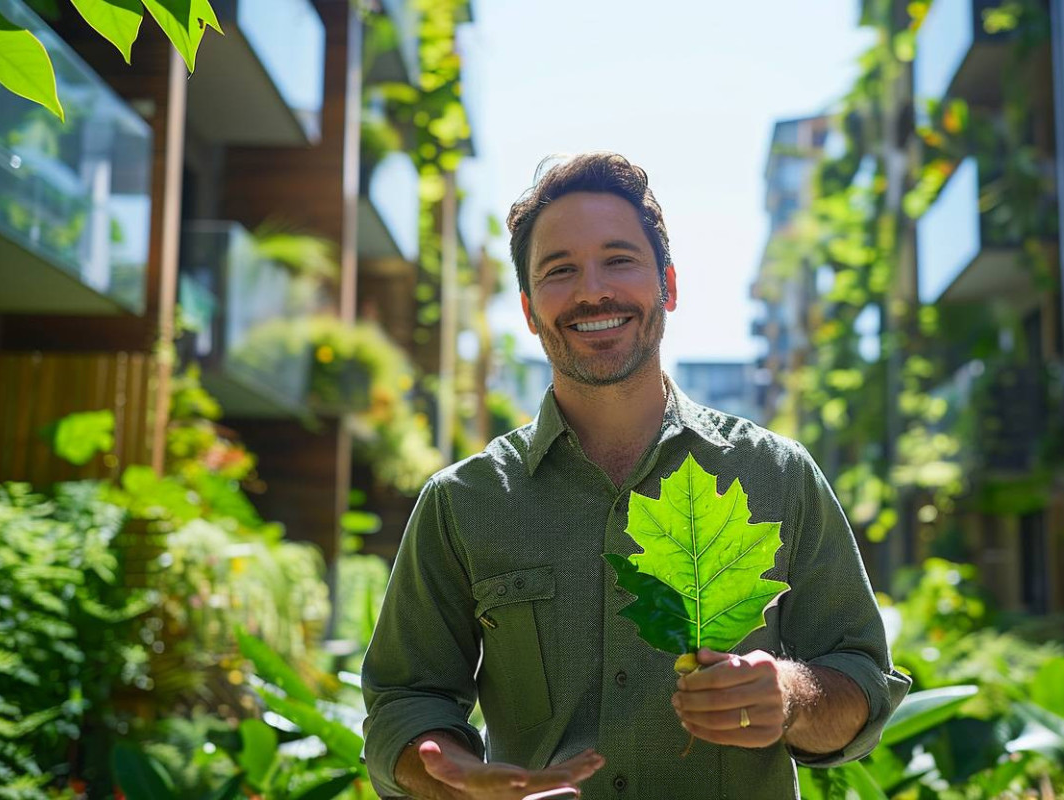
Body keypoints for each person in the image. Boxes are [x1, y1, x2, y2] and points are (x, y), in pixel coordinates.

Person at [362, 152, 909, 799]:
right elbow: (404, 701)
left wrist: (789, 696)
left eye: (618, 260)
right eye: (560, 270)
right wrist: (454, 778)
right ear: (531, 308)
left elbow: (862, 683)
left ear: (669, 286)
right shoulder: (462, 502)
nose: (592, 290)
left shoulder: (777, 475)